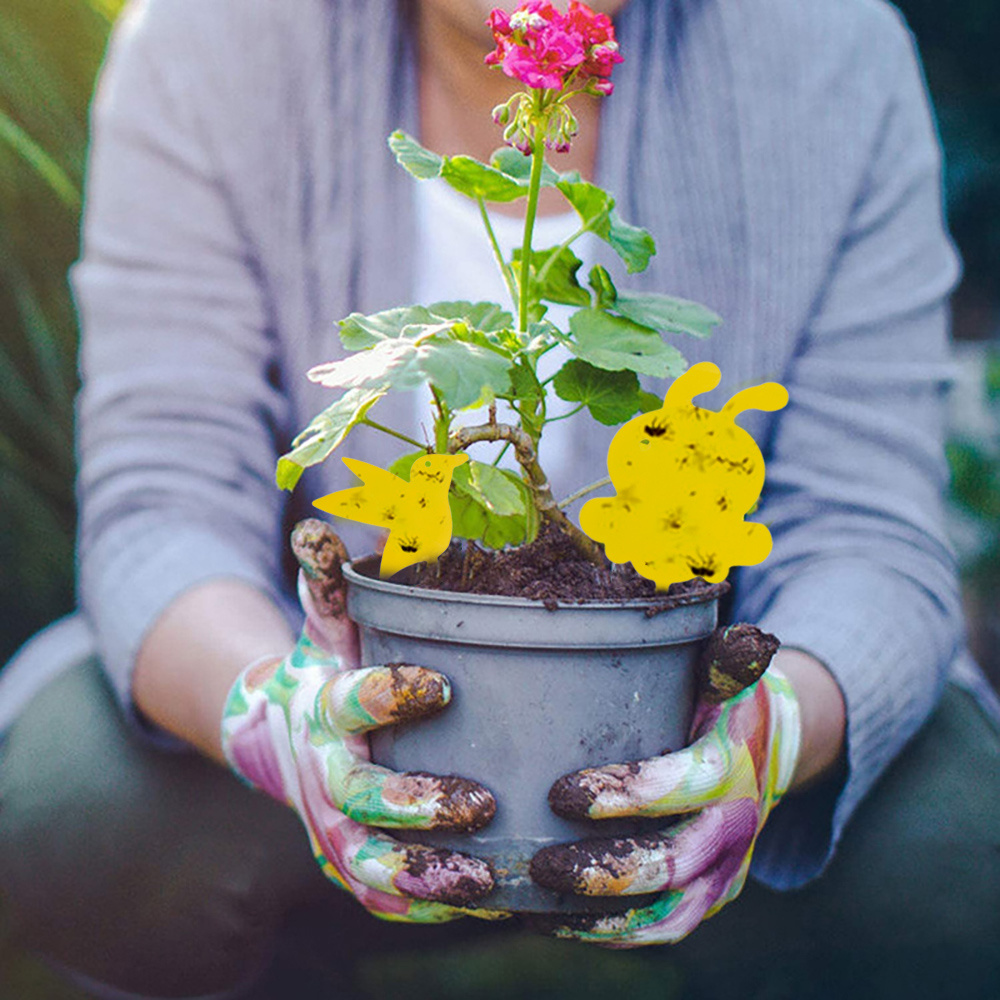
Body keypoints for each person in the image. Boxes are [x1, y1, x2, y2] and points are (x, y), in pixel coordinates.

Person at [1, 0, 998, 996]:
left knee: (951, 851)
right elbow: (163, 494)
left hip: (690, 711)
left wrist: (773, 737)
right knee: (73, 802)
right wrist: (286, 720)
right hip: (343, 691)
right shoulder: (205, 41)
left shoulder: (833, 53)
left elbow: (868, 528)